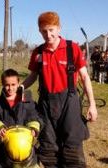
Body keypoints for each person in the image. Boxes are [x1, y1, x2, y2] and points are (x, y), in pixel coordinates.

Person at [22, 11, 97, 168]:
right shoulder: (38, 52)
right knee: (48, 147)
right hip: (45, 104)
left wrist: (92, 104)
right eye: (44, 31)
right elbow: (32, 76)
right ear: (39, 31)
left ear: (59, 28)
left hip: (69, 103)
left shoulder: (73, 48)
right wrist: (20, 87)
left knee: (72, 147)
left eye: (51, 30)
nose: (48, 35)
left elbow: (85, 77)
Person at [0, 69, 42, 168]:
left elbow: (34, 116)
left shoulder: (27, 102)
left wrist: (33, 128)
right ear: (2, 84)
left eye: (13, 85)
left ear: (18, 83)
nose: (10, 88)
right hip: (3, 151)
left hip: (26, 151)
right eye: (7, 85)